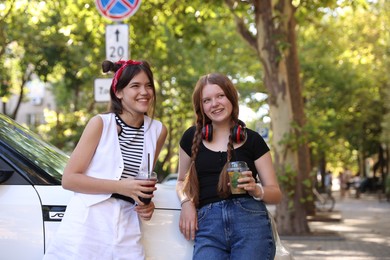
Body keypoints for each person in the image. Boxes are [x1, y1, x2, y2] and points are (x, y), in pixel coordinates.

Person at [44, 59, 167, 259]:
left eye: (148, 85)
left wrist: (146, 205)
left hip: (127, 228)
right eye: (135, 86)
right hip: (88, 225)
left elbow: (141, 183)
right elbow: (69, 179)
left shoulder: (158, 130)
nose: (144, 91)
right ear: (118, 92)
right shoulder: (100, 124)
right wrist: (121, 187)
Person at [176, 73, 282, 259]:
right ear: (201, 107)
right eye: (207, 100)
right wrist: (186, 203)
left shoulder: (253, 140)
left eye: (220, 96)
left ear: (231, 98)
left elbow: (275, 193)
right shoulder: (190, 137)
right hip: (207, 224)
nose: (214, 103)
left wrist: (257, 190)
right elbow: (180, 181)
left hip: (251, 223)